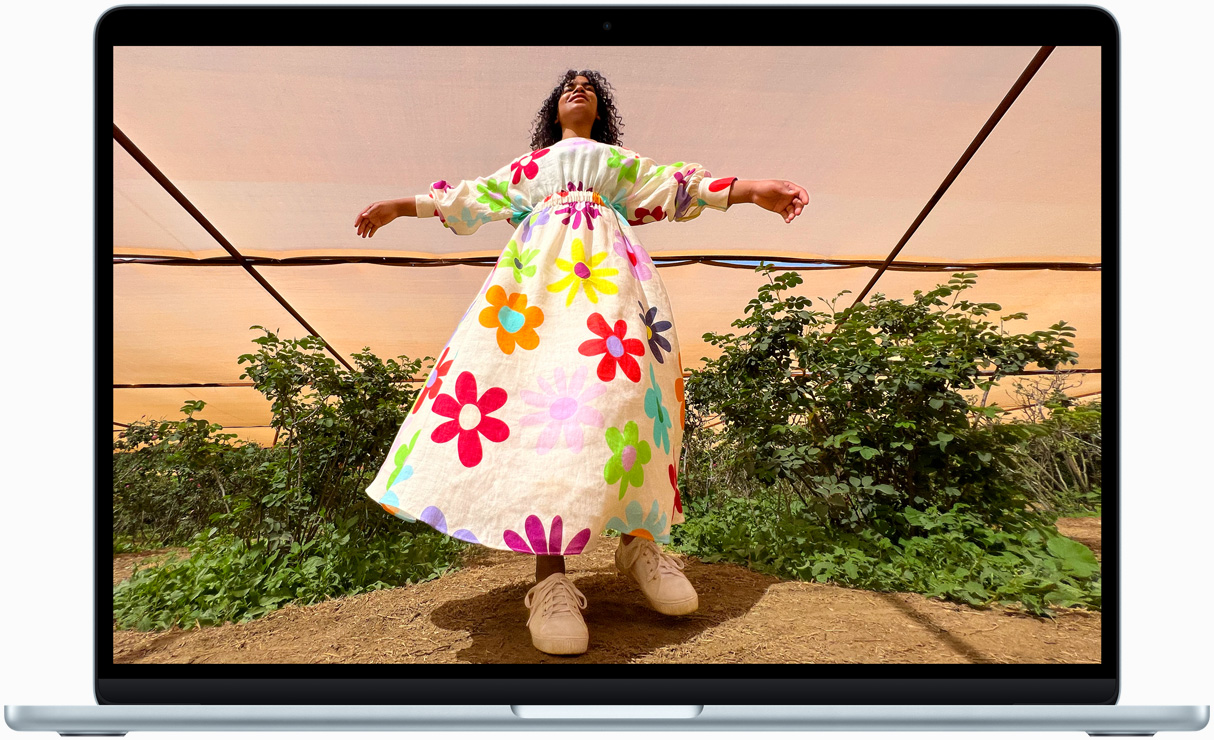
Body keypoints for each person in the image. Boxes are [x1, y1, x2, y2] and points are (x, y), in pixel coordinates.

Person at [354, 70, 808, 656]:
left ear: (600, 110)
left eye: (590, 84)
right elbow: (472, 195)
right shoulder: (530, 169)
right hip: (534, 301)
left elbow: (675, 184)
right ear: (554, 108)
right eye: (569, 83)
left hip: (614, 303)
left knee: (626, 407)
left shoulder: (615, 165)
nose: (579, 86)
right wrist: (399, 205)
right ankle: (549, 581)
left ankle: (639, 541)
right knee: (549, 420)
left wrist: (751, 190)